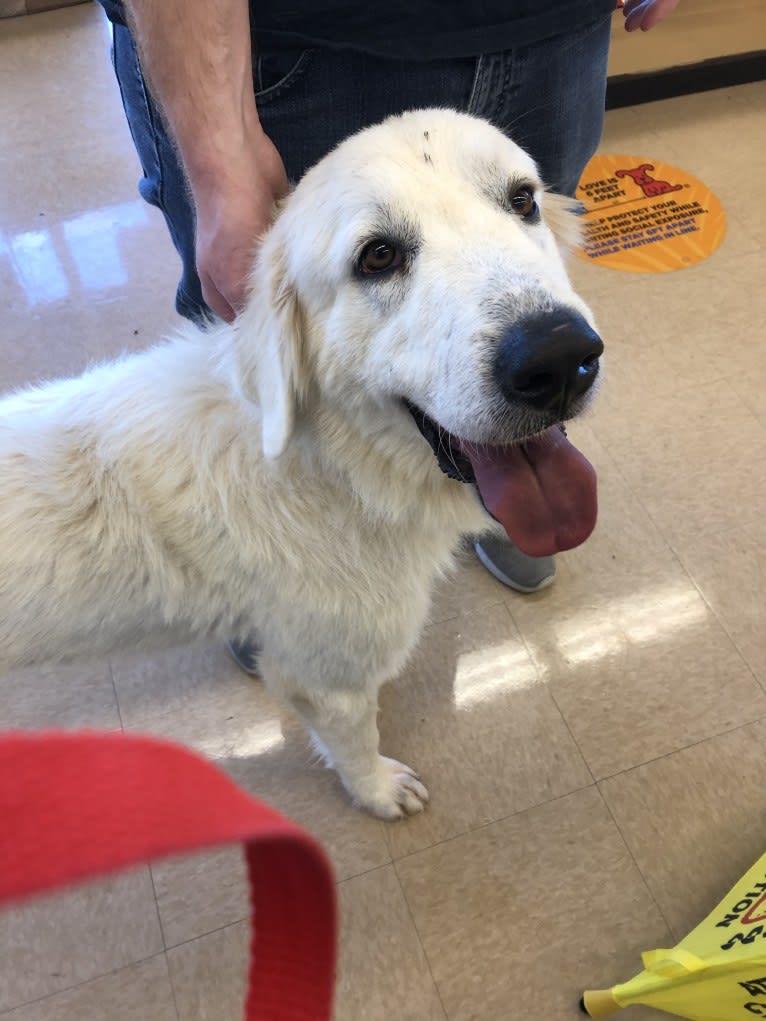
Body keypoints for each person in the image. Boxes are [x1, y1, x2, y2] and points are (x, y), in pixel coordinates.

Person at [96, 0, 679, 671]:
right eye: (381, 255)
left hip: (556, 30)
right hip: (281, 51)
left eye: (519, 201)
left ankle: (493, 487)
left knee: (504, 349)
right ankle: (270, 584)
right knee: (262, 377)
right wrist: (218, 148)